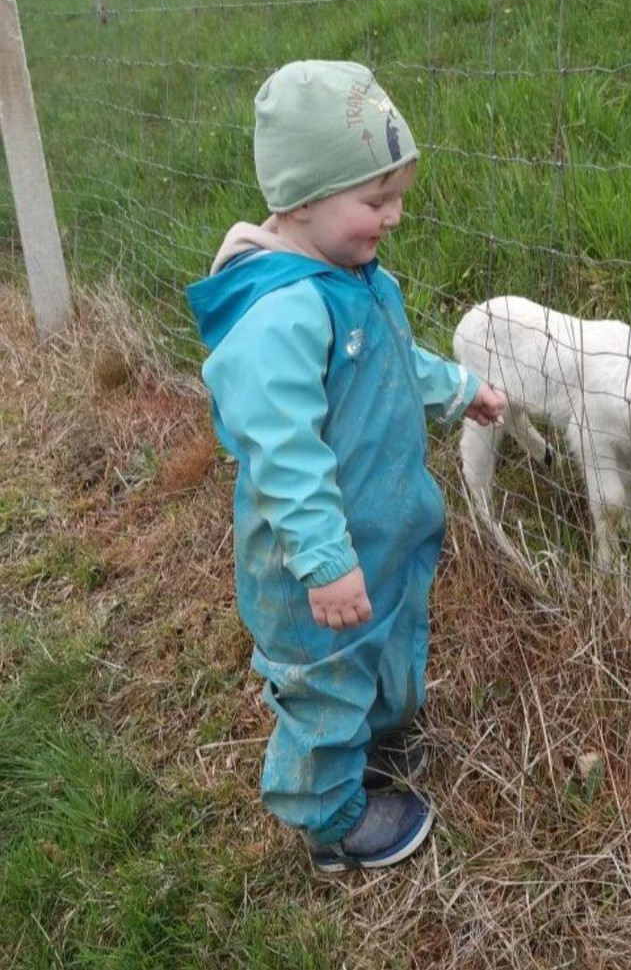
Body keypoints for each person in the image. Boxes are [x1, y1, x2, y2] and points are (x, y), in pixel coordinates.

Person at [187, 60, 505, 875]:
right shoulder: (281, 315)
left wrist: (460, 388)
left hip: (383, 540)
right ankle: (332, 820)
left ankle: (380, 734)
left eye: (396, 195)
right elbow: (284, 457)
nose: (393, 217)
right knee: (326, 686)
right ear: (300, 200)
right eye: (374, 201)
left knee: (393, 644)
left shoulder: (355, 277)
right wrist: (325, 564)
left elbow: (396, 363)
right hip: (315, 574)